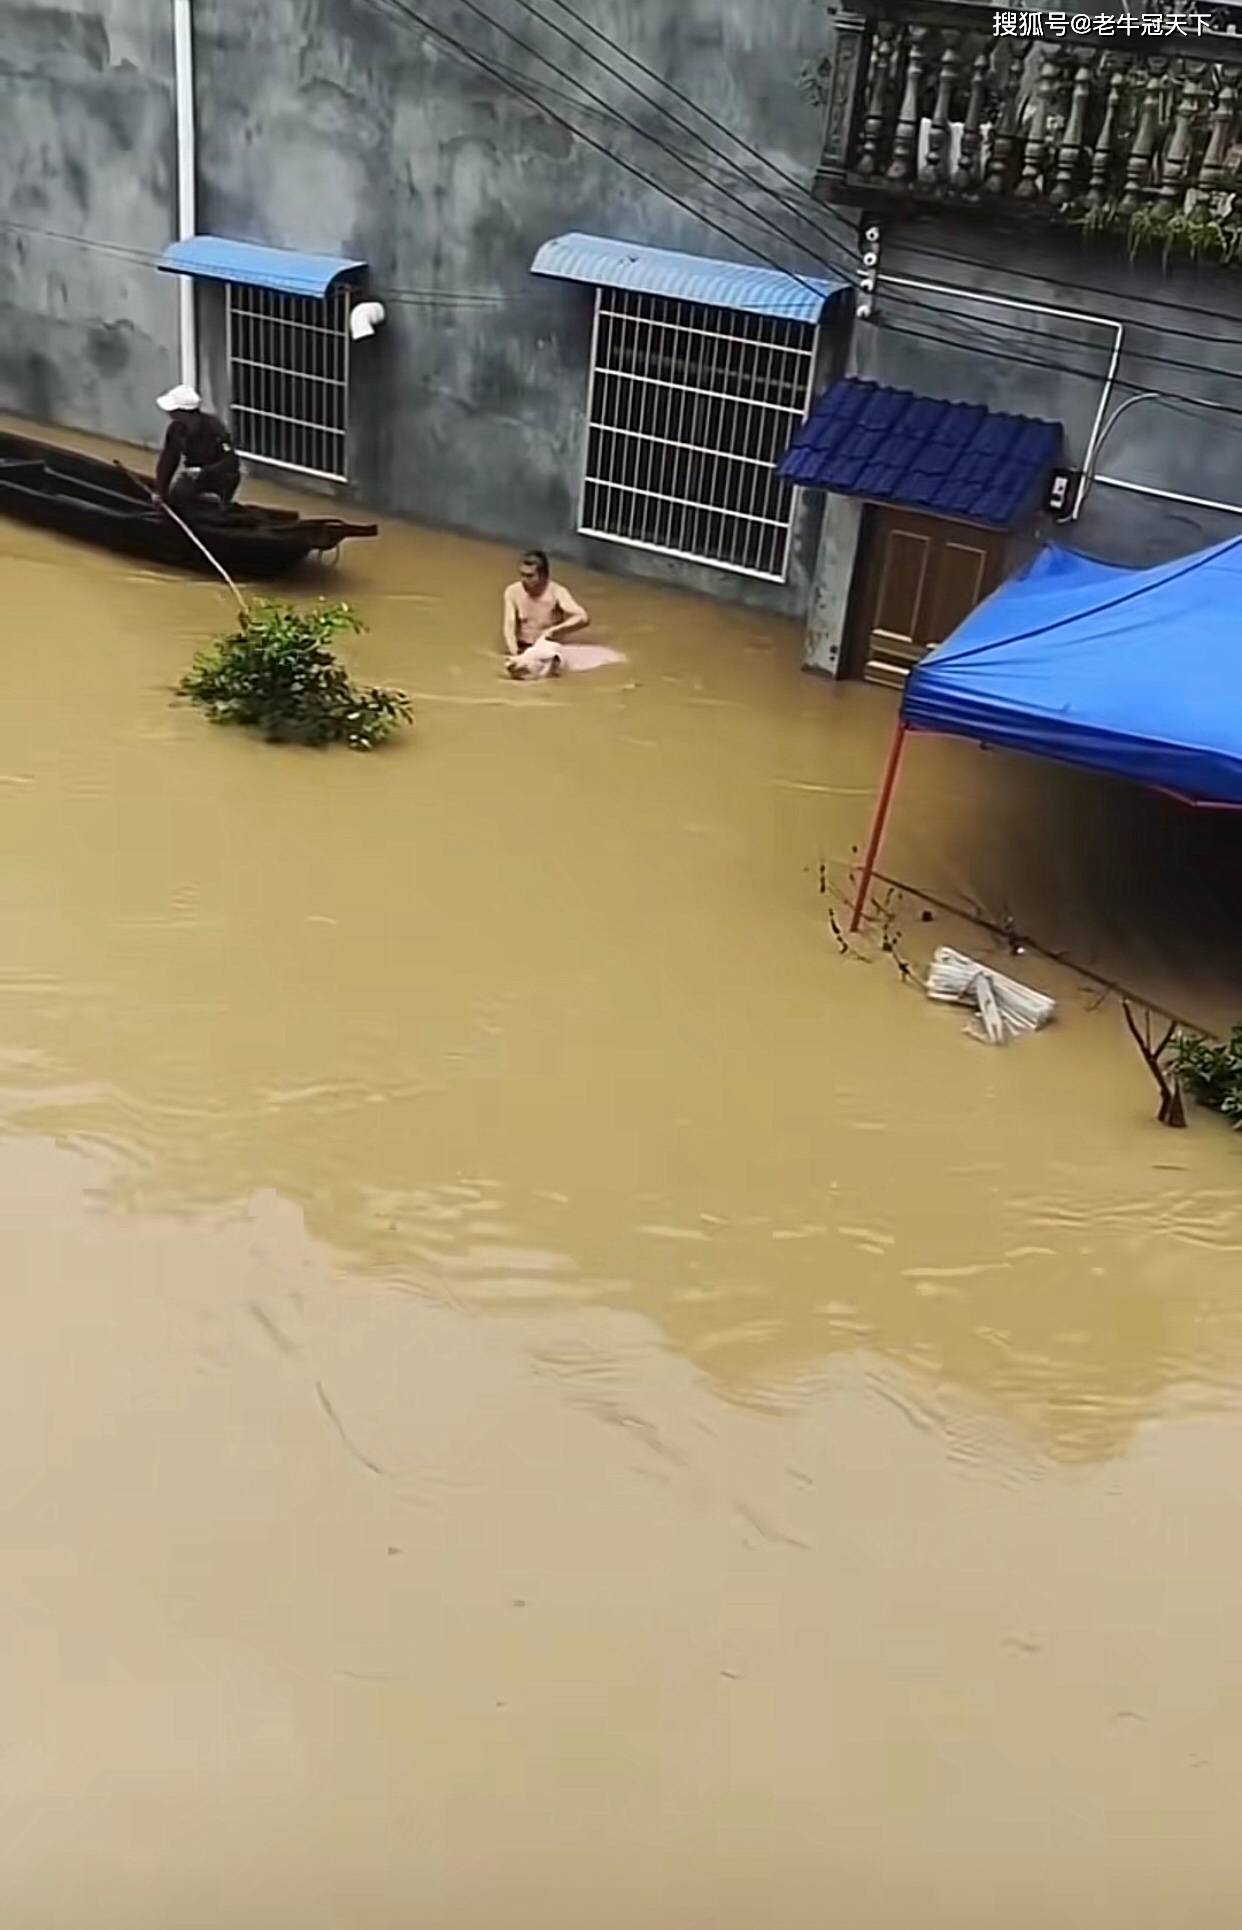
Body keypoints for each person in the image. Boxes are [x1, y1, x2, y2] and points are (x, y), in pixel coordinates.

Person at [501, 549, 589, 678]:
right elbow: (509, 626)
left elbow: (582, 617)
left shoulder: (557, 592)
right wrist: (515, 654)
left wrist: (554, 631)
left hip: (548, 650)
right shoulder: (512, 592)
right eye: (522, 575)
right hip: (522, 648)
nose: (524, 580)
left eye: (530, 576)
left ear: (543, 576)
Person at [153, 385, 241, 510]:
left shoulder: (214, 429)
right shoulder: (176, 430)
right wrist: (160, 491)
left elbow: (231, 462)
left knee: (212, 507)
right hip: (192, 476)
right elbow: (168, 459)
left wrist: (204, 471)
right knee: (177, 497)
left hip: (220, 476)